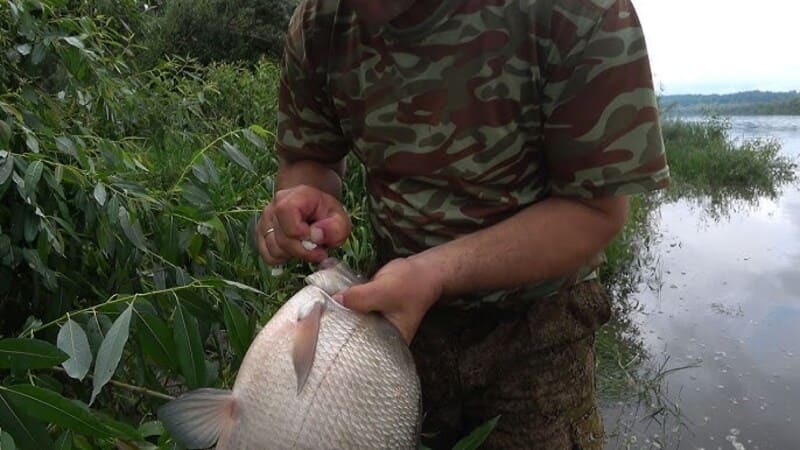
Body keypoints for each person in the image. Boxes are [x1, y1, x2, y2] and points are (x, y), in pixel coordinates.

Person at [255, 0, 670, 448]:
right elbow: (309, 156)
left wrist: (434, 273)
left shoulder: (581, 11)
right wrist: (306, 196)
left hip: (538, 328)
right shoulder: (320, 21)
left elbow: (596, 212)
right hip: (389, 319)